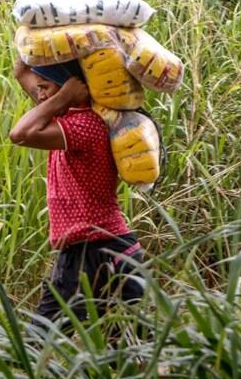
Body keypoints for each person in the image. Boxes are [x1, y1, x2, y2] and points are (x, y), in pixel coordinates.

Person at [9, 56, 145, 333]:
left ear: (71, 88)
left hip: (99, 250)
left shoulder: (87, 126)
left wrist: (63, 97)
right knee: (126, 352)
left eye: (45, 87)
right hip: (95, 250)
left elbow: (19, 134)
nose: (40, 93)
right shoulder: (67, 117)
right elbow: (22, 71)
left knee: (39, 346)